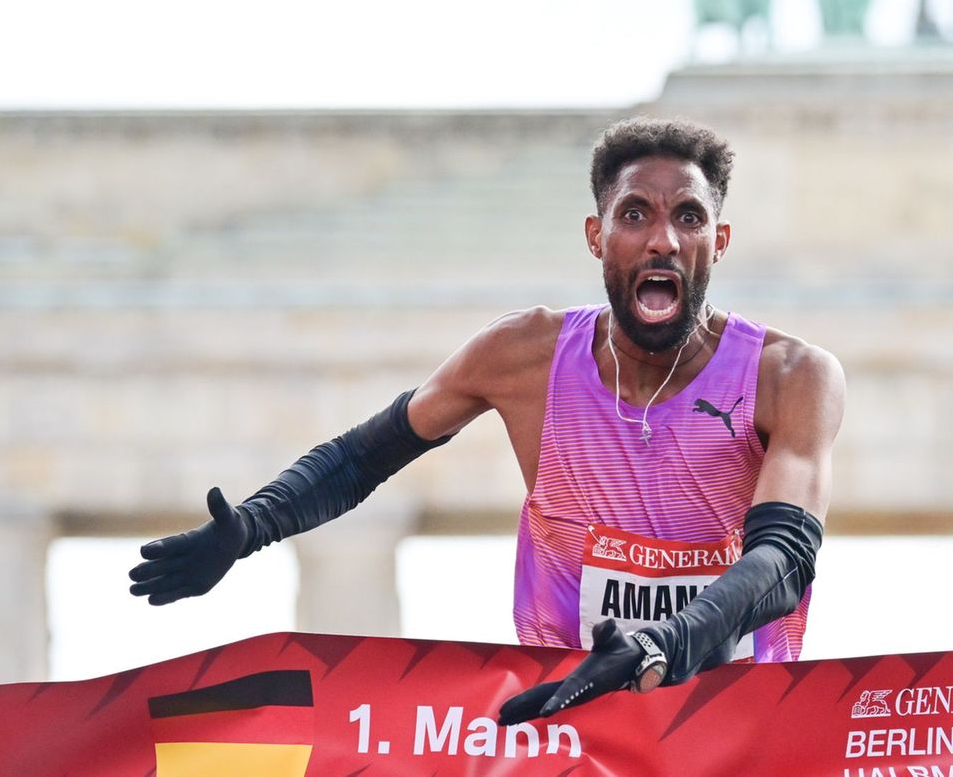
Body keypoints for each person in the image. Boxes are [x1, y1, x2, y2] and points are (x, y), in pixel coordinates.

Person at [127, 117, 846, 725]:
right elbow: (363, 455)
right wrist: (254, 525)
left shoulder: (790, 377)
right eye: (635, 215)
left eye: (688, 216)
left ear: (719, 240)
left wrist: (666, 643)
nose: (663, 240)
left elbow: (784, 558)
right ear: (597, 237)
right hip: (567, 726)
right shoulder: (524, 356)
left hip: (735, 726)